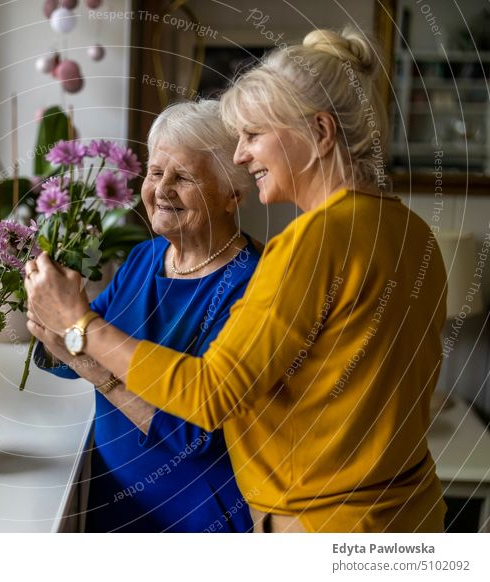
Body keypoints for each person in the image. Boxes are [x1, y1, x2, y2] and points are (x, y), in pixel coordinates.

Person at [24, 27, 448, 533]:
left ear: (319, 132)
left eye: (253, 134)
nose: (244, 156)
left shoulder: (309, 245)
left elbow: (207, 396)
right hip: (409, 517)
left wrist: (80, 325)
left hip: (329, 526)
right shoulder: (414, 232)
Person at [33, 100, 260, 532]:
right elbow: (69, 349)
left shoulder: (250, 285)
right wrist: (48, 309)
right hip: (113, 504)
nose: (162, 189)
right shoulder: (145, 257)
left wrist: (84, 354)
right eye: (156, 173)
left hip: (193, 520)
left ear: (232, 194)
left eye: (184, 177)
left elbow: (192, 436)